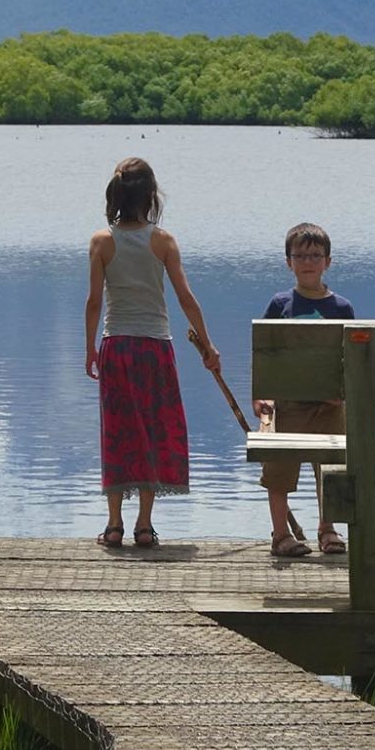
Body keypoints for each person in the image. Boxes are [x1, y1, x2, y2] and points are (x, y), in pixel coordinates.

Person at [85, 157, 219, 549]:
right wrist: (208, 345)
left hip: (116, 346)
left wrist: (90, 347)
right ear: (151, 197)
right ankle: (144, 525)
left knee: (118, 431)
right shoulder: (163, 241)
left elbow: (94, 302)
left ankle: (114, 525)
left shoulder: (101, 242)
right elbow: (185, 298)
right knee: (153, 430)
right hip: (155, 349)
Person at [253, 222, 353, 559]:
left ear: (328, 261)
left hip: (330, 405)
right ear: (288, 262)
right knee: (279, 471)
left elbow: (349, 358)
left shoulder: (342, 308)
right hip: (288, 404)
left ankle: (328, 528)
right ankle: (281, 534)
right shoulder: (280, 303)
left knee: (331, 468)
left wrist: (340, 394)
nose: (308, 262)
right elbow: (264, 352)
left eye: (315, 256)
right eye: (300, 256)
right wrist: (261, 394)